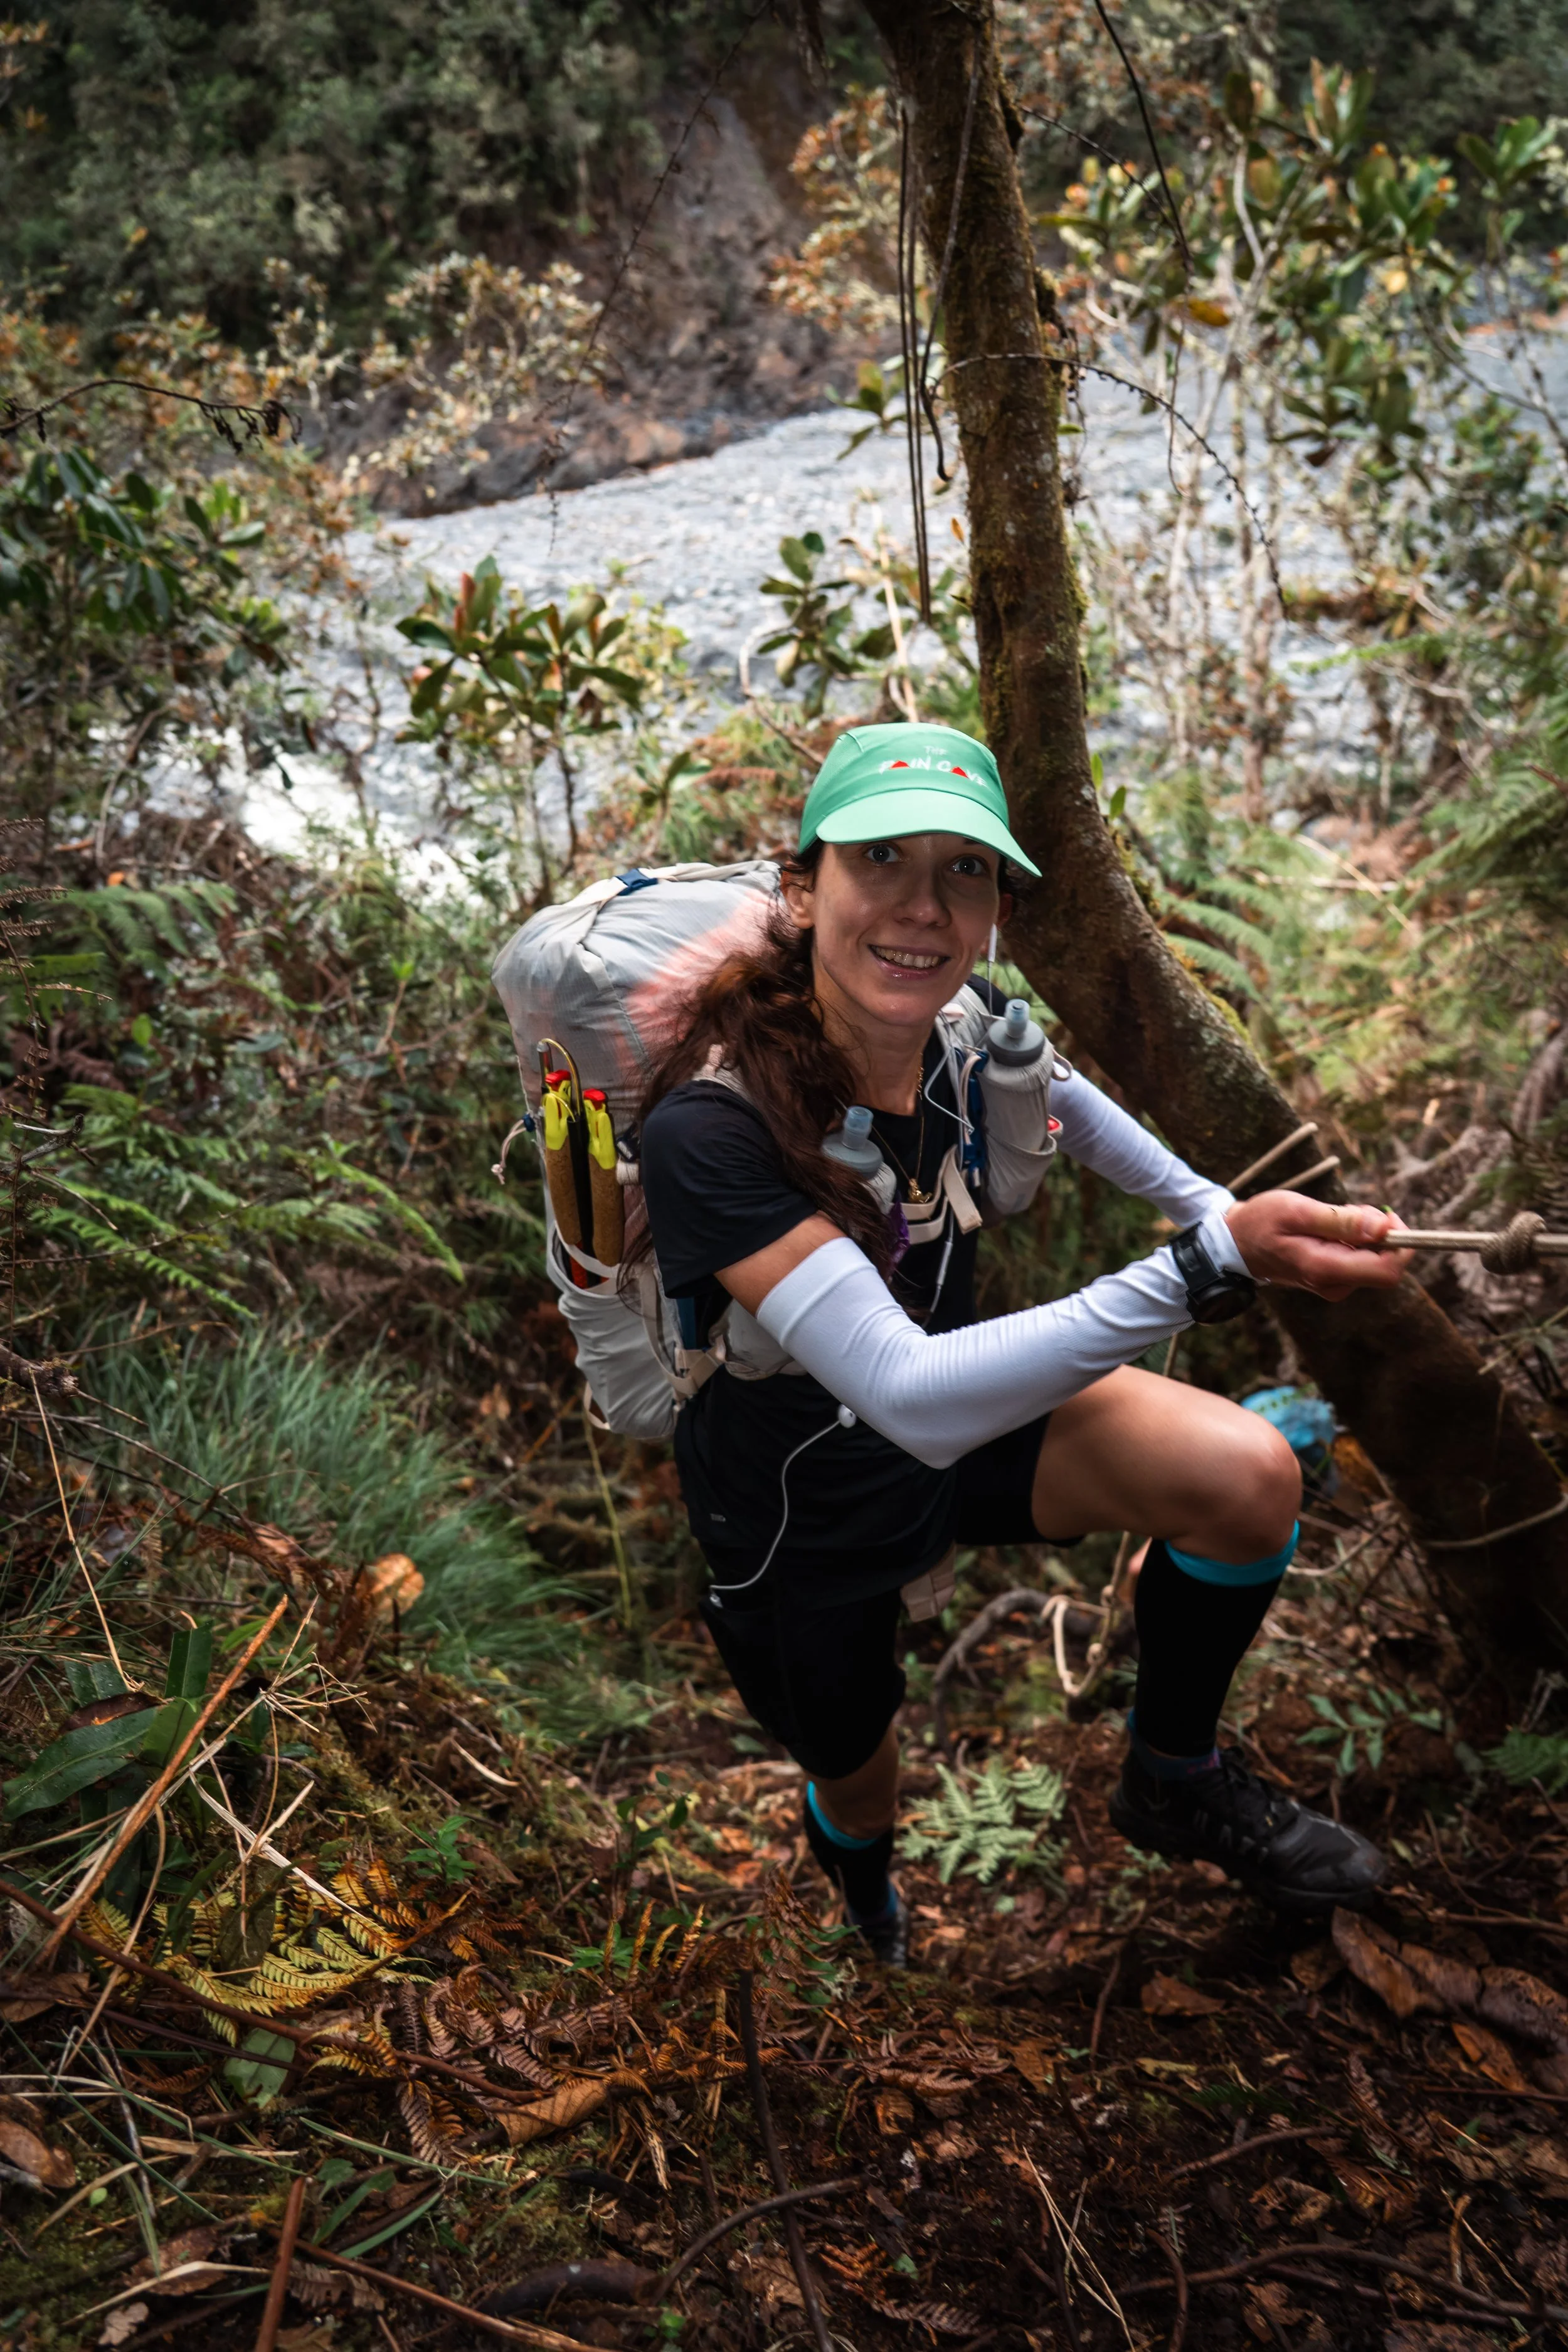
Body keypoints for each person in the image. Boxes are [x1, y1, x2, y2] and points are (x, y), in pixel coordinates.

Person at [637, 723, 1406, 1963]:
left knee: (1248, 1477)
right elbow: (903, 1394)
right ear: (800, 886)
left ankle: (1173, 1777)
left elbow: (1087, 1124)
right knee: (858, 1777)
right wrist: (1208, 1263)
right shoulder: (709, 1136)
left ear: (995, 904)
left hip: (962, 1414)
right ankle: (871, 1908)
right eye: (879, 858)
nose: (922, 907)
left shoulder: (967, 1025)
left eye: (963, 870)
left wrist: (1235, 1216)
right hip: (802, 1509)